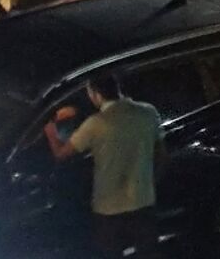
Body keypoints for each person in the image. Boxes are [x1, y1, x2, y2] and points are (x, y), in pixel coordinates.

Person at [45, 73, 162, 259]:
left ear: (95, 94)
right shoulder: (148, 112)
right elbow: (161, 155)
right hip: (143, 201)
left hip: (108, 208)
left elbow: (61, 154)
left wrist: (50, 130)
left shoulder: (95, 124)